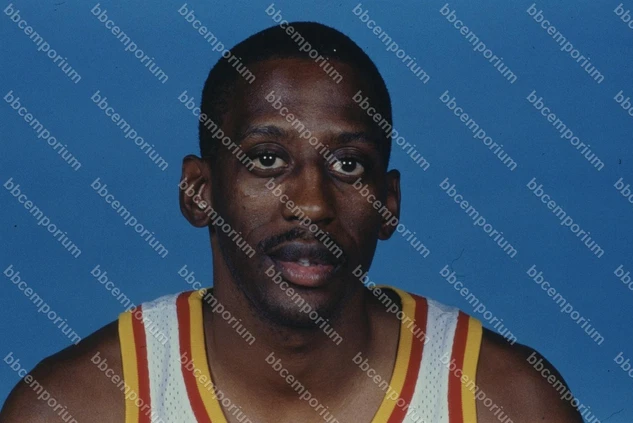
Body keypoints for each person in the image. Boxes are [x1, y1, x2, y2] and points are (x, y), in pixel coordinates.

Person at [0, 22, 583, 423]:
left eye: (348, 165)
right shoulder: (76, 407)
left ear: (389, 203)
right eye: (267, 159)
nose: (312, 204)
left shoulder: (506, 402)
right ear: (199, 191)